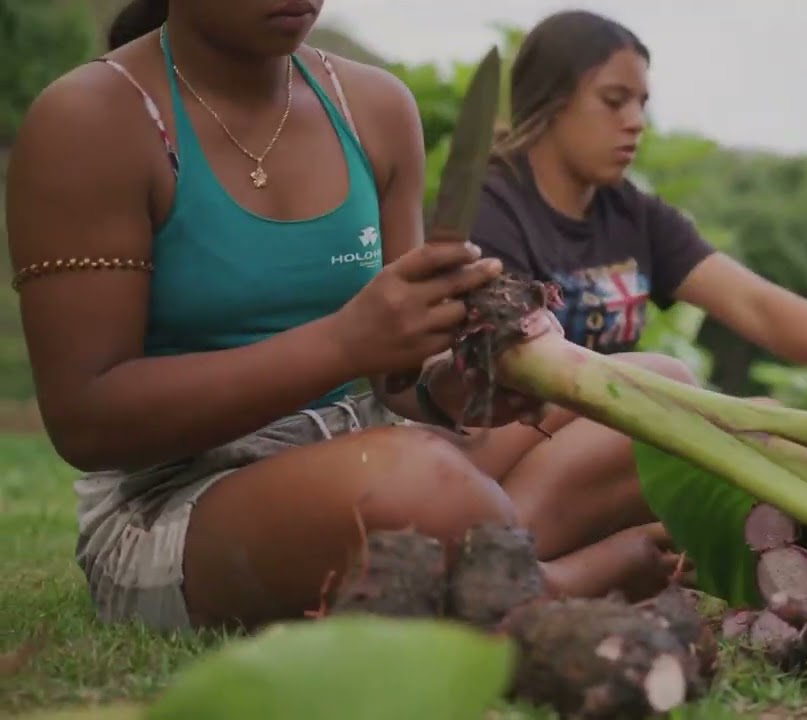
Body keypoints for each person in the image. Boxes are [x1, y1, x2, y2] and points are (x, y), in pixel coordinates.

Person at [5, 0, 696, 634]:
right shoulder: (95, 118)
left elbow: (400, 382)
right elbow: (88, 420)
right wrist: (342, 344)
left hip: (379, 449)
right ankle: (560, 579)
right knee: (419, 482)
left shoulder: (369, 104)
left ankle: (474, 560)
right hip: (182, 500)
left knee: (654, 393)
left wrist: (457, 384)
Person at [465, 10, 807, 413]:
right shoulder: (489, 215)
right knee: (741, 417)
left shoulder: (631, 213)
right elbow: (523, 377)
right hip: (525, 441)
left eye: (641, 104)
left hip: (616, 427)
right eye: (614, 102)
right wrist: (719, 416)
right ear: (550, 102)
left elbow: (754, 304)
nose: (635, 122)